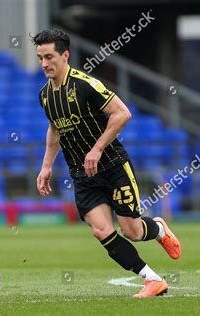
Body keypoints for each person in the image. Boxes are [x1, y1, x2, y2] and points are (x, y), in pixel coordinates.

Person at [32, 29, 182, 298]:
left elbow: (122, 113)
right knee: (101, 230)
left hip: (112, 166)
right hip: (82, 175)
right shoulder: (45, 95)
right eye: (40, 57)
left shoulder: (86, 84)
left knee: (132, 231)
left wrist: (97, 148)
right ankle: (153, 280)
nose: (44, 63)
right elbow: (55, 129)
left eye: (49, 56)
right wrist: (46, 166)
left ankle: (158, 228)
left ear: (65, 55)